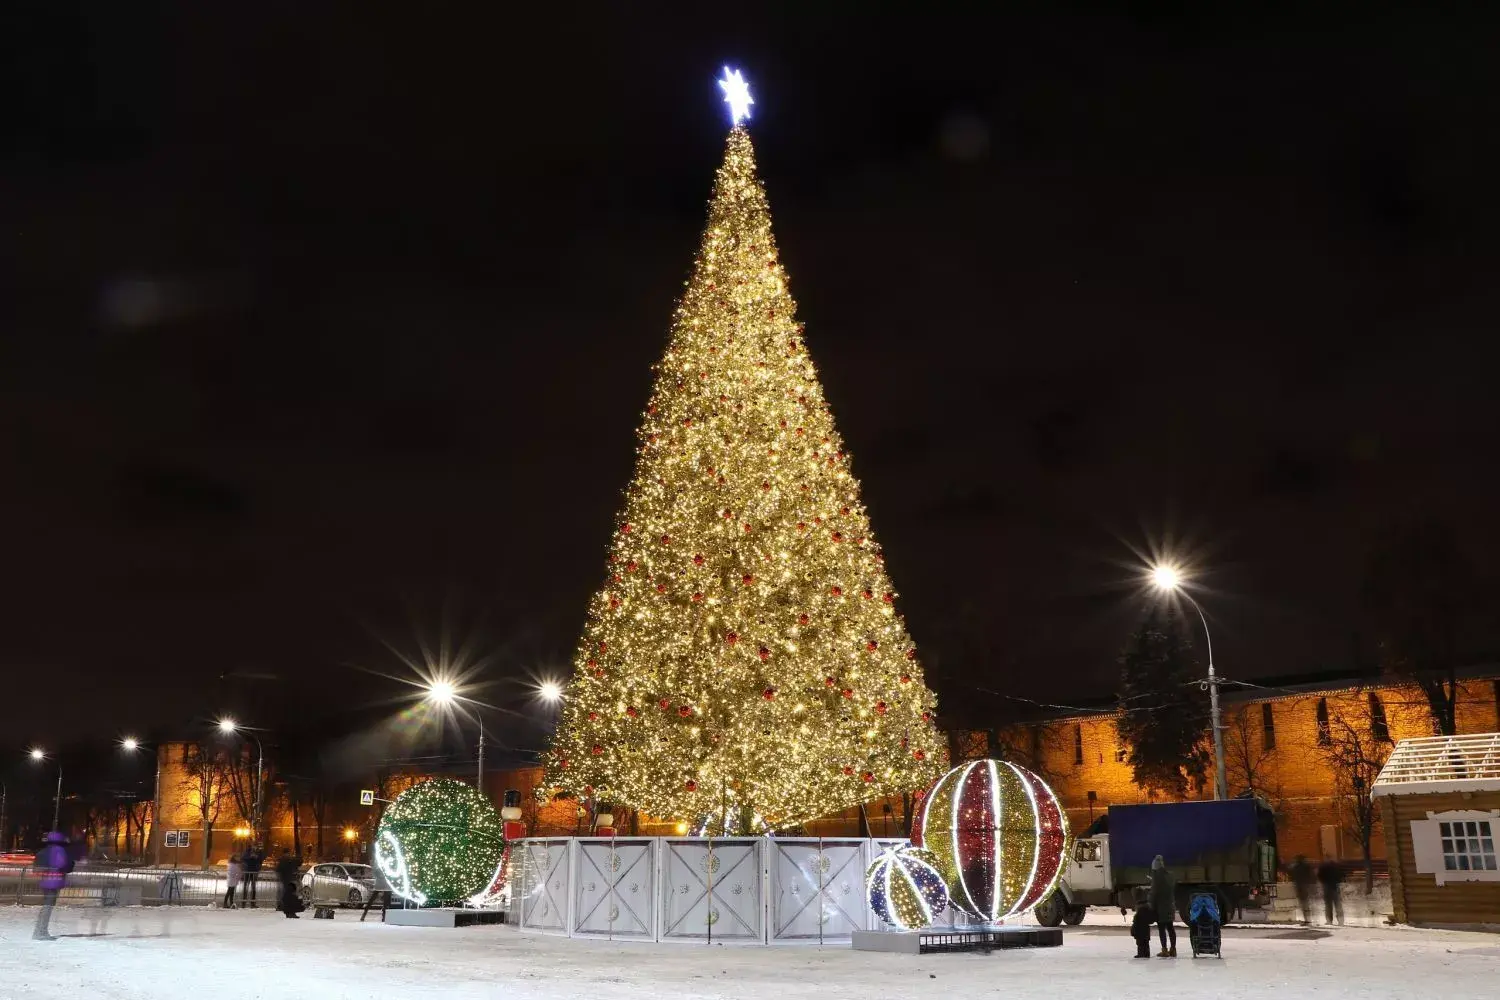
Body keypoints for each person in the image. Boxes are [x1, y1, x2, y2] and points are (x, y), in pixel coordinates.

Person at [33, 831, 74, 941]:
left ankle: (39, 930)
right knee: (48, 907)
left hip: (45, 881)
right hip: (55, 881)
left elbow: (37, 866)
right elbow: (65, 865)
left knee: (46, 906)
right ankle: (41, 932)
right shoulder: (60, 851)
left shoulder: (44, 851)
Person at [1149, 855, 1177, 957]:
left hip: (1160, 908)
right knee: (1170, 928)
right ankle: (1173, 949)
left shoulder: (1157, 878)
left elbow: (1154, 893)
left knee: (1161, 929)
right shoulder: (1170, 876)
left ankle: (1164, 950)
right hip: (1170, 905)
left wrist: (1151, 904)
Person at [275, 850, 303, 918]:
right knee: (289, 897)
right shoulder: (284, 861)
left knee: (289, 896)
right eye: (287, 854)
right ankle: (289, 912)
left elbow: (299, 863)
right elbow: (279, 870)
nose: (288, 855)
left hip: (289, 880)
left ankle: (289, 912)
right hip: (287, 880)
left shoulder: (289, 860)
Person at [1318, 856, 1344, 926]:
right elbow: (1341, 875)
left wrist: (1323, 882)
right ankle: (1340, 920)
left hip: (1327, 886)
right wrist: (1337, 881)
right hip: (1335, 886)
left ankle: (1329, 920)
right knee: (1338, 904)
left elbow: (1319, 876)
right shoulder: (1336, 866)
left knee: (1328, 905)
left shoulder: (1323, 867)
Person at [1130, 886, 1155, 958]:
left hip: (1140, 932)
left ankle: (1141, 954)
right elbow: (1151, 920)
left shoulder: (1139, 914)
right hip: (1146, 931)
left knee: (1140, 943)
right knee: (1146, 943)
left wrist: (1133, 931)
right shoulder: (1147, 910)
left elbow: (1135, 923)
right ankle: (1146, 954)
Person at [1289, 855, 1315, 924]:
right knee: (1306, 903)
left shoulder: (1295, 867)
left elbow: (1292, 875)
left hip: (1299, 886)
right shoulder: (1307, 866)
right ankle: (1310, 918)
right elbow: (1311, 875)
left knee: (1304, 903)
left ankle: (1307, 919)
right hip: (1306, 886)